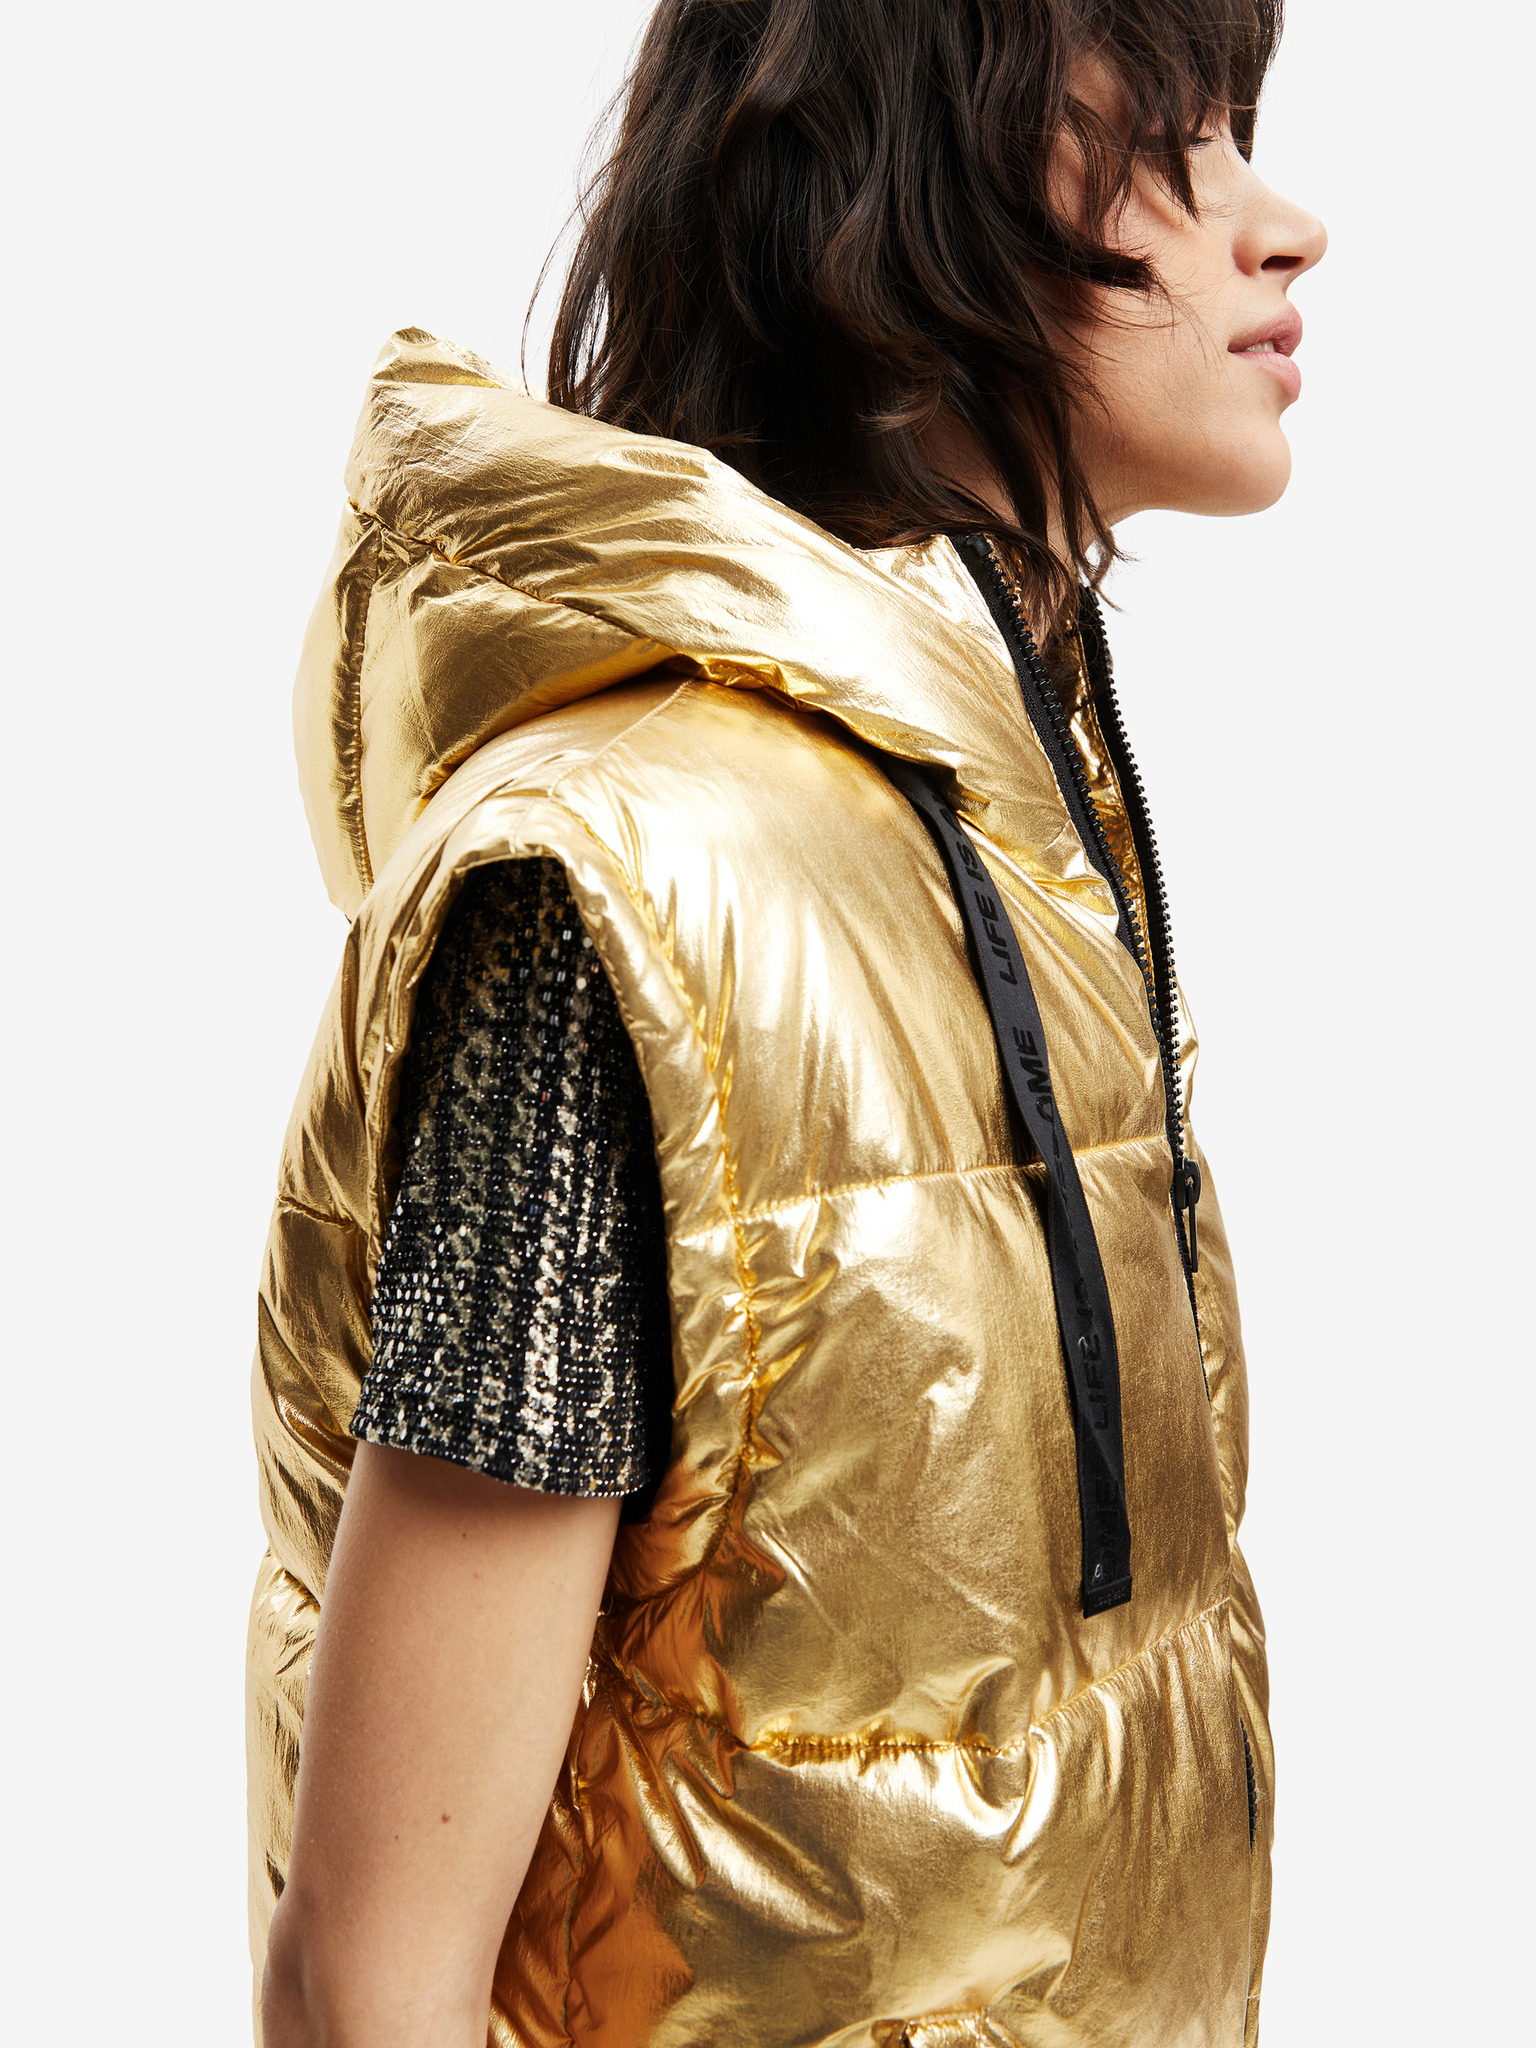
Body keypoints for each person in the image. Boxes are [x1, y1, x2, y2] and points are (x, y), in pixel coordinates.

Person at [248, 2, 1325, 2042]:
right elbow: (371, 1970)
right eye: (1171, 147)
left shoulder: (1019, 830)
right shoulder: (620, 887)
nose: (1285, 227)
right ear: (907, 216)